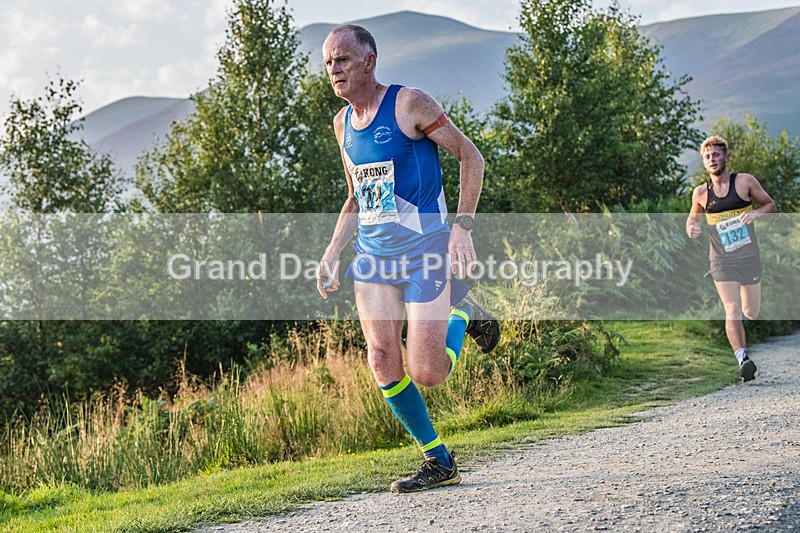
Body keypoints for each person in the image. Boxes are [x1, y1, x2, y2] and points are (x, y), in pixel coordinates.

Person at [315, 24, 500, 493]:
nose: (334, 70)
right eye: (328, 63)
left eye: (342, 60)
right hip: (374, 258)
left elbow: (471, 157)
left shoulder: (408, 103)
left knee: (428, 372)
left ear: (370, 60)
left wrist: (462, 226)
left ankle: (464, 313)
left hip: (425, 252)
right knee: (381, 358)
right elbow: (357, 195)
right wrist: (332, 251)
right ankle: (438, 460)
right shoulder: (342, 125)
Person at [686, 135, 776, 382]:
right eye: (707, 157)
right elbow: (693, 219)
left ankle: (744, 339)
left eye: (716, 155)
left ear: (726, 157)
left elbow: (771, 205)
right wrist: (691, 228)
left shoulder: (745, 182)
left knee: (751, 311)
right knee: (732, 308)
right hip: (721, 260)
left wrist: (755, 215)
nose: (712, 160)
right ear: (704, 164)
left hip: (749, 257)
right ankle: (743, 359)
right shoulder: (701, 193)